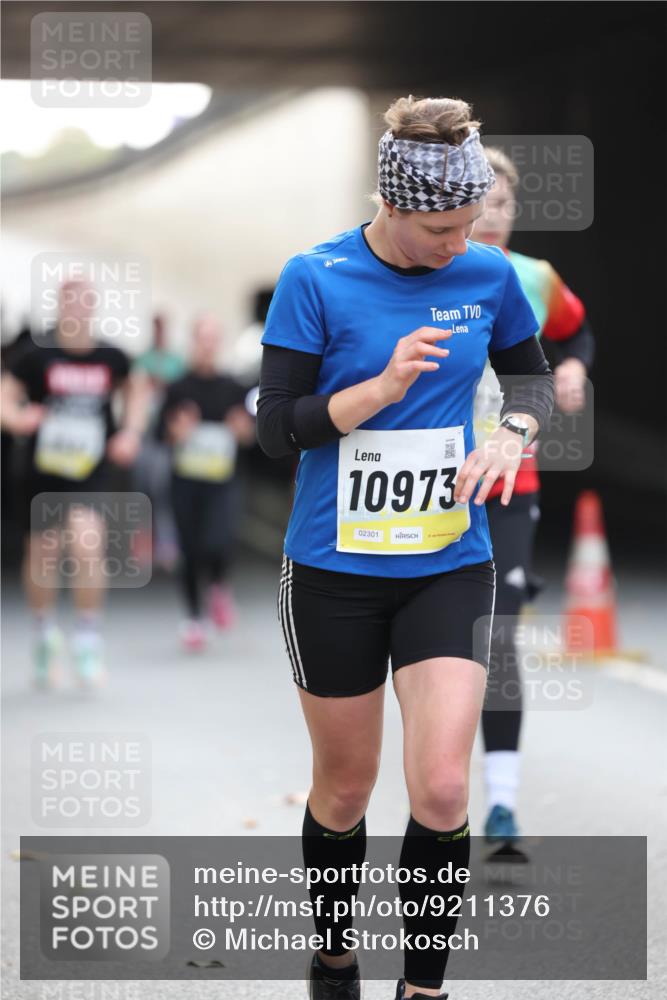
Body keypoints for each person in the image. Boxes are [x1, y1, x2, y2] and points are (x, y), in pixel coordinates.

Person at [256, 96, 554, 1000]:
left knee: (439, 790)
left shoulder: (486, 275)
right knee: (344, 791)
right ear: (390, 205)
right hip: (332, 571)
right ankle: (335, 956)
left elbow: (532, 377)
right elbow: (276, 431)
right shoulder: (315, 277)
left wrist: (511, 434)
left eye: (468, 225)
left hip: (447, 563)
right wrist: (376, 391)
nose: (456, 244)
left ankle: (423, 987)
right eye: (439, 228)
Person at [472, 147, 595, 846]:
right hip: (432, 485)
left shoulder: (533, 279)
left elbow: (577, 330)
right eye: (481, 201)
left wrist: (572, 366)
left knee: (495, 636)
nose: (491, 215)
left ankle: (502, 799)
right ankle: (435, 791)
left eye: (504, 204)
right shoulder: (425, 274)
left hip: (511, 481)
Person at [0, 279, 147, 687]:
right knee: (45, 553)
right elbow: (4, 397)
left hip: (89, 468)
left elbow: (137, 392)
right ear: (61, 307)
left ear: (94, 308)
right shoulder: (35, 355)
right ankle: (45, 633)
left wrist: (131, 432)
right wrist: (18, 418)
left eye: (86, 302)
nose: (78, 309)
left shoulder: (111, 356)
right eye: (71, 301)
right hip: (41, 469)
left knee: (86, 542)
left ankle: (86, 638)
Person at [158, 315, 255, 651]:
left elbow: (252, 436)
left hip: (222, 480)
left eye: (213, 339)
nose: (207, 346)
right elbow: (159, 434)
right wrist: (176, 431)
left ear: (220, 345)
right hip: (186, 480)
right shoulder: (177, 387)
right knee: (188, 548)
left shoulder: (234, 388)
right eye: (202, 339)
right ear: (193, 342)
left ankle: (218, 585)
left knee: (219, 539)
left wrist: (243, 431)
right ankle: (193, 618)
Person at [132, 313, 186, 570]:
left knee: (162, 488)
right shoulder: (143, 359)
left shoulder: (176, 361)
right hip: (145, 434)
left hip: (165, 437)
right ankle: (143, 539)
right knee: (143, 487)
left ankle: (166, 540)